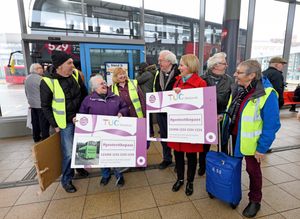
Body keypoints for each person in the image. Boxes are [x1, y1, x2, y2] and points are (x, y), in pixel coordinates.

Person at [222, 59, 280, 218]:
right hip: (232, 136)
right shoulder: (239, 88)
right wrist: (223, 117)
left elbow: (272, 124)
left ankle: (255, 200)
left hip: (251, 143)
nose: (235, 74)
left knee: (252, 171)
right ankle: (231, 194)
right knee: (232, 168)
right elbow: (233, 110)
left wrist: (262, 148)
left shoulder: (267, 94)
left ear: (252, 75)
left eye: (239, 72)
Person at [40, 51, 89, 193]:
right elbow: (46, 106)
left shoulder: (75, 75)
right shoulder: (47, 82)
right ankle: (66, 179)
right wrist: (54, 124)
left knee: (82, 146)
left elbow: (84, 95)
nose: (73, 65)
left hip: (81, 119)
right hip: (65, 123)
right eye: (69, 63)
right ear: (59, 66)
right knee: (68, 152)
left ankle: (80, 168)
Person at [79, 75, 129, 187]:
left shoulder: (115, 97)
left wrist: (122, 112)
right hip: (97, 134)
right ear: (94, 88)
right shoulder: (88, 100)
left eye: (104, 82)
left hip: (114, 133)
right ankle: (105, 175)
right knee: (101, 155)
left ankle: (119, 175)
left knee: (115, 155)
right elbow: (83, 115)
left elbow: (125, 107)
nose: (105, 85)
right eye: (101, 84)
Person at [169, 54, 207, 196]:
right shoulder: (177, 81)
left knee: (191, 156)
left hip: (191, 127)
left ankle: (190, 181)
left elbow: (203, 105)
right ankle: (180, 178)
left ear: (190, 66)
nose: (179, 68)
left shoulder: (200, 83)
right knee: (177, 154)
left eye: (181, 65)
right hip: (178, 125)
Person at [199, 52, 233, 176]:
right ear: (215, 65)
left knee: (223, 143)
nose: (226, 65)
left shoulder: (229, 80)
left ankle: (223, 166)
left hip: (222, 116)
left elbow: (232, 100)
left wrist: (224, 114)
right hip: (206, 117)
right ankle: (202, 166)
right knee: (205, 144)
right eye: (224, 63)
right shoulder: (202, 79)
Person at [154, 50, 180, 169]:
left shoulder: (180, 73)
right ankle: (167, 158)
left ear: (169, 61)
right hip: (161, 111)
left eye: (161, 60)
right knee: (164, 136)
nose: (158, 62)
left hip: (175, 112)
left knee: (176, 136)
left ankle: (178, 160)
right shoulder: (158, 73)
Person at [25, 63, 50, 142]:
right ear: (34, 70)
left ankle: (36, 137)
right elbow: (45, 93)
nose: (42, 69)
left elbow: (26, 92)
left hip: (32, 104)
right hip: (41, 105)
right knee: (44, 123)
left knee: (35, 122)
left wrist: (30, 102)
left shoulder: (27, 78)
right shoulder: (41, 79)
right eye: (39, 68)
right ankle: (45, 139)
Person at [136, 62, 157, 137]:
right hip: (149, 96)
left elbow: (137, 81)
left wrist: (139, 73)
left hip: (145, 97)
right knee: (149, 115)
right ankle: (151, 132)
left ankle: (149, 132)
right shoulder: (150, 73)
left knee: (147, 115)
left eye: (140, 68)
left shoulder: (146, 74)